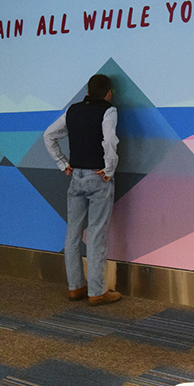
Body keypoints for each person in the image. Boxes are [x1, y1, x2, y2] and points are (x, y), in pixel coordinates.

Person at [43, 74, 122, 306]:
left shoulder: (73, 110)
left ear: (88, 91)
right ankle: (97, 292)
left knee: (73, 233)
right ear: (108, 92)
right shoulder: (109, 111)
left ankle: (75, 287)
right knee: (96, 234)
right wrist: (109, 169)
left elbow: (48, 135)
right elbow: (109, 141)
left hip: (75, 176)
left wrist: (62, 163)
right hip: (98, 177)